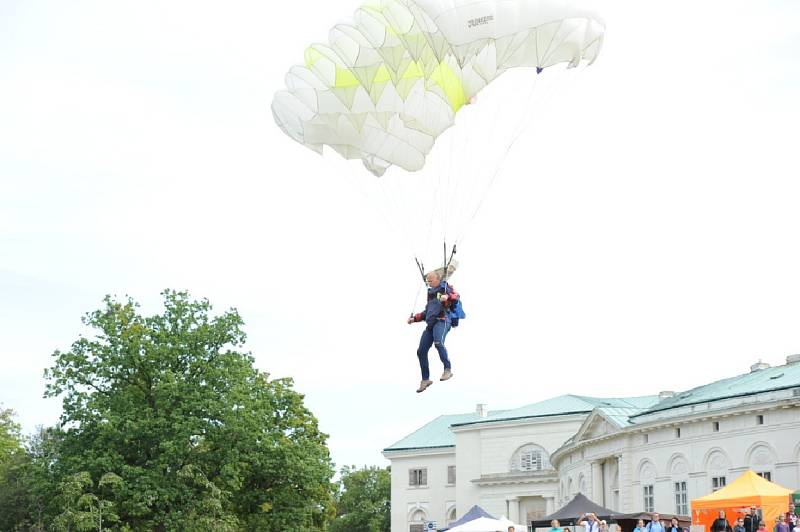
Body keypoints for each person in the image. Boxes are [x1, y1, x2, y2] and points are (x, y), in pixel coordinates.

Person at [408, 270, 459, 393]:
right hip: (431, 324)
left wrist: (448, 297)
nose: (428, 282)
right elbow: (427, 313)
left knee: (438, 342)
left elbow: (456, 297)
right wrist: (414, 318)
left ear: (437, 279)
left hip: (442, 321)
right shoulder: (431, 294)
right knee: (421, 351)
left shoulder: (445, 288)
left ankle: (447, 369)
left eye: (430, 280)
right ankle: (425, 379)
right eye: (427, 280)